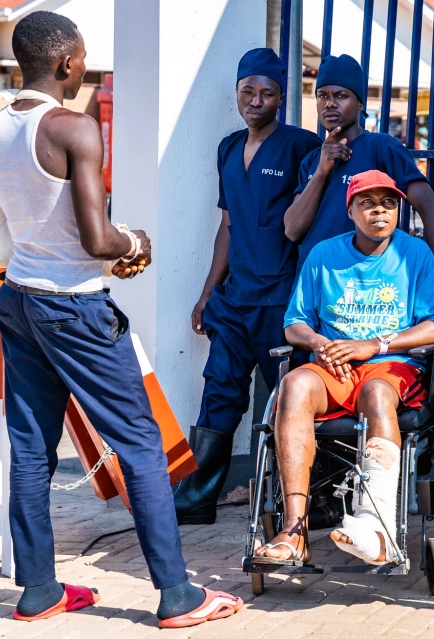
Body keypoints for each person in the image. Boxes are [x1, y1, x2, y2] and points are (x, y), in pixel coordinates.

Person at [0, 11, 241, 627]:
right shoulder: (75, 129)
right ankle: (178, 595)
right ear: (66, 60)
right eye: (83, 57)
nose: (85, 66)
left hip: (19, 300)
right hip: (74, 307)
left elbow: (25, 224)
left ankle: (38, 588)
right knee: (141, 445)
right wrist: (136, 240)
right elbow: (97, 239)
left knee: (31, 449)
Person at [255, 170, 434, 565]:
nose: (380, 210)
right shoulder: (324, 255)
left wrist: (374, 345)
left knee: (375, 394)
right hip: (335, 366)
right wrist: (319, 343)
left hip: (390, 365)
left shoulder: (415, 254)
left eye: (389, 203)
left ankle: (375, 527)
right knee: (293, 385)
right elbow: (294, 323)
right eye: (368, 203)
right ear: (350, 211)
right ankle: (294, 532)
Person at [172, 49, 322, 525]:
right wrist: (206, 292)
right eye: (247, 92)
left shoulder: (302, 146)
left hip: (280, 301)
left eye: (267, 93)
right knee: (219, 391)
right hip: (234, 301)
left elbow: (308, 222)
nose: (256, 101)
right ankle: (198, 497)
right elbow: (228, 226)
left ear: (282, 97)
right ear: (237, 94)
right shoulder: (227, 147)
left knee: (291, 399)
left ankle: (302, 500)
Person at [284, 54, 434, 289]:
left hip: (368, 290)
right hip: (317, 286)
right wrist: (321, 172)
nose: (330, 103)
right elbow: (293, 230)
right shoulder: (312, 160)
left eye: (341, 95)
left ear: (360, 104)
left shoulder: (381, 148)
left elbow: (428, 205)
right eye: (322, 95)